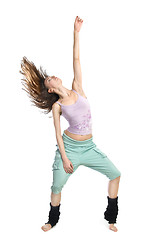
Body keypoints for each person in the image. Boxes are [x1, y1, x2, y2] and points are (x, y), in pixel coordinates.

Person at [20, 16, 121, 232]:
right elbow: (57, 135)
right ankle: (52, 220)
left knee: (115, 174)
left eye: (52, 76)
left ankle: (111, 217)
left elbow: (76, 59)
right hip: (70, 150)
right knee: (57, 186)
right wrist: (65, 158)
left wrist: (76, 32)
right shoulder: (58, 106)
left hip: (90, 147)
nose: (53, 76)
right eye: (49, 79)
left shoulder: (78, 88)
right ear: (50, 89)